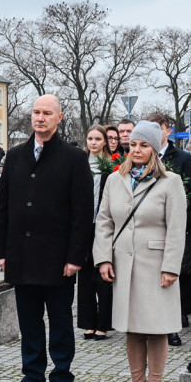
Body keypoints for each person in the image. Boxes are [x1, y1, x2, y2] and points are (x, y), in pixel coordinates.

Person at [0, 94, 93, 382]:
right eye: (36, 112)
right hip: (21, 255)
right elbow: (3, 207)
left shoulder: (73, 159)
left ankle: (62, 378)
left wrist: (76, 257)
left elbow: (82, 213)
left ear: (59, 118)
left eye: (47, 113)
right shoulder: (15, 156)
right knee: (29, 320)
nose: (40, 117)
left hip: (57, 258)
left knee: (60, 321)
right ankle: (33, 376)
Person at [94, 121, 186, 382]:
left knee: (156, 328)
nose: (137, 150)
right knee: (132, 327)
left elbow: (176, 227)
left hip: (156, 264)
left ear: (155, 148)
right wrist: (103, 258)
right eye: (133, 144)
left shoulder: (169, 181)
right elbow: (104, 222)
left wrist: (171, 265)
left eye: (144, 145)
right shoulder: (114, 179)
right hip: (124, 263)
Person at [153, 114, 191, 346]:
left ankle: (172, 326)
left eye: (158, 128)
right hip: (149, 227)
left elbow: (190, 188)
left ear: (167, 131)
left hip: (173, 224)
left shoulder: (182, 157)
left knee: (173, 274)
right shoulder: (142, 156)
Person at [76, 125, 113, 341]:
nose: (93, 142)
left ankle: (104, 324)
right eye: (90, 138)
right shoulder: (80, 164)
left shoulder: (110, 166)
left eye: (98, 138)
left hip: (104, 226)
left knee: (103, 275)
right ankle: (87, 323)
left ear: (105, 142)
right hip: (84, 226)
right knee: (85, 275)